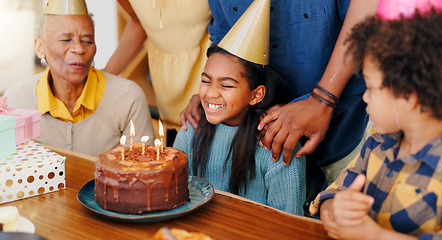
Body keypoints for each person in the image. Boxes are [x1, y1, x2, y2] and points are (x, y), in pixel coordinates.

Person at [181, 0, 379, 188]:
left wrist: (322, 100)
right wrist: (215, 89)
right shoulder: (191, 133)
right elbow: (224, 31)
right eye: (206, 81)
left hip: (335, 145)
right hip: (248, 154)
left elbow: (371, 35)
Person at [310, 0, 442, 238]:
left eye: (371, 87)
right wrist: (334, 209)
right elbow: (331, 196)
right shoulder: (376, 144)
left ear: (408, 96)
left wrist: (373, 235)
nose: (365, 97)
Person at [174, 0, 306, 216]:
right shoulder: (192, 128)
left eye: (226, 85)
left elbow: (288, 223)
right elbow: (175, 198)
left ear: (256, 95)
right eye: (206, 81)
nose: (211, 93)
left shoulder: (275, 143)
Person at [3, 0, 154, 157]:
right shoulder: (17, 100)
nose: (79, 49)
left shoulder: (128, 98)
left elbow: (141, 172)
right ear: (40, 47)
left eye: (87, 41)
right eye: (66, 40)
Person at [103, 0, 212, 132]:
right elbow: (139, 21)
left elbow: (231, 28)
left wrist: (210, 88)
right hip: (165, 87)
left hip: (209, 74)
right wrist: (106, 75)